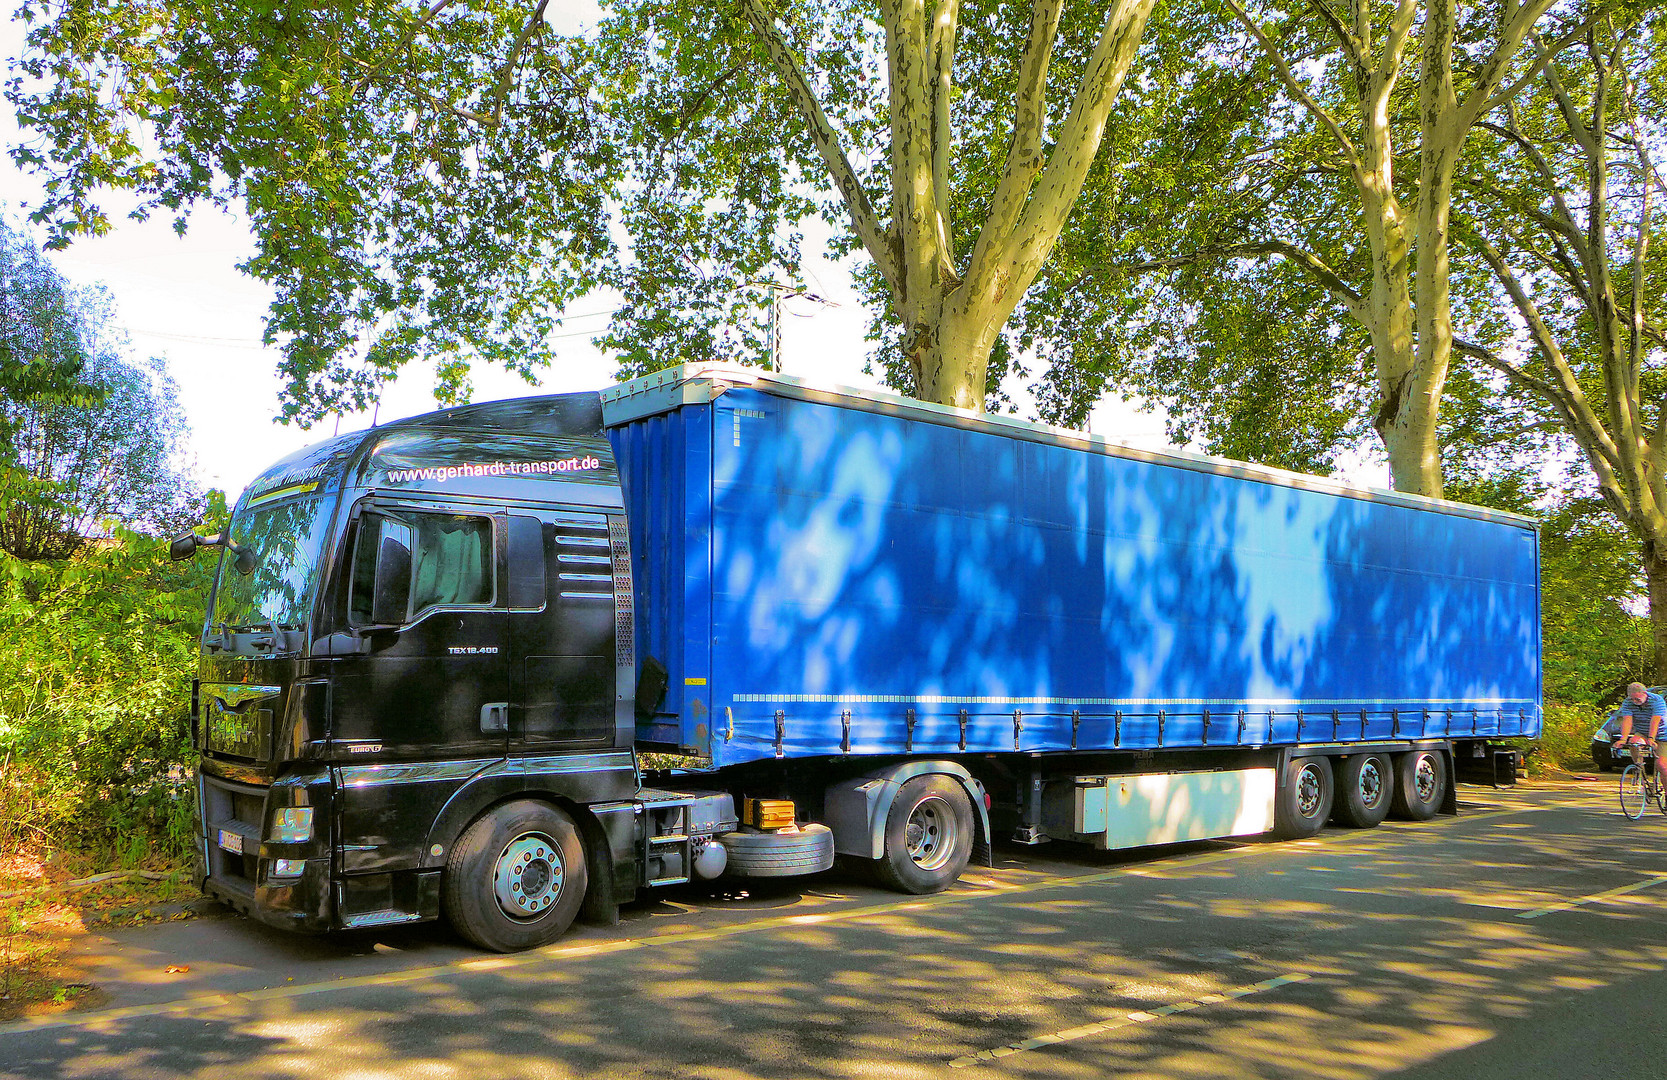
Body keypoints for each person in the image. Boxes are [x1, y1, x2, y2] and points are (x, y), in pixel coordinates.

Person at [1612, 682, 1666, 774]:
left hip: (1663, 734)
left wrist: (1651, 738)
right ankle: (1639, 769)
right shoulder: (1628, 702)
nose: (1635, 702)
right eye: (1632, 699)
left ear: (1644, 693)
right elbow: (1627, 720)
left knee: (1662, 766)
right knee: (1633, 742)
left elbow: (1655, 720)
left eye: (1637, 699)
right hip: (1643, 732)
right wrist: (1623, 739)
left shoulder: (1657, 700)